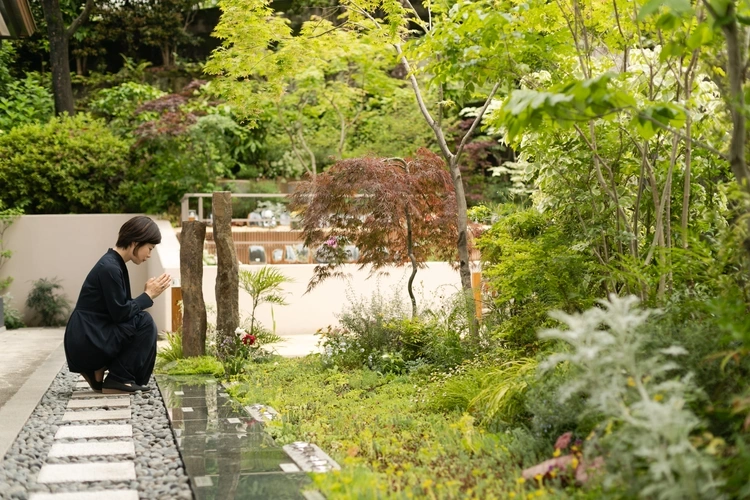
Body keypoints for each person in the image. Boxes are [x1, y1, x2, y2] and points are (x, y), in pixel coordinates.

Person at [64, 216, 172, 394]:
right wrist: (148, 295)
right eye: (150, 248)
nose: (149, 254)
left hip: (88, 334)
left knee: (141, 319)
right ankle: (119, 379)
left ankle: (99, 373)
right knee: (144, 322)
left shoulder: (114, 264)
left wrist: (145, 296)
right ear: (136, 242)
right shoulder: (110, 267)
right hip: (87, 338)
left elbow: (119, 310)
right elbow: (121, 314)